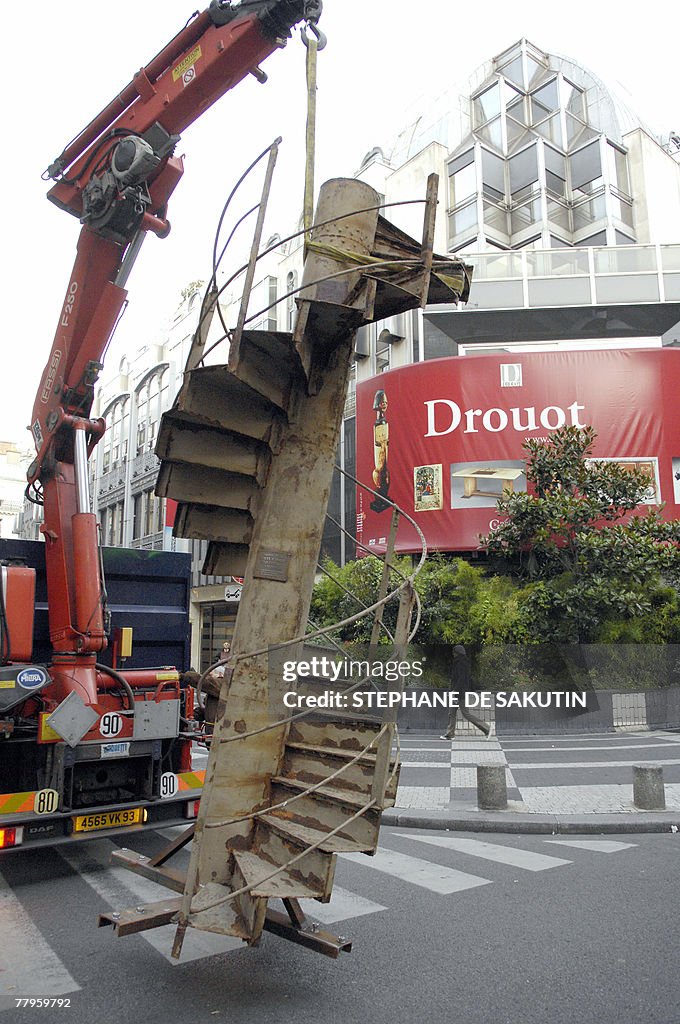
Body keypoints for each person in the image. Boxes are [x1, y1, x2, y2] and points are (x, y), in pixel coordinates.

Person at [440, 644, 495, 740]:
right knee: (451, 713)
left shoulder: (461, 663)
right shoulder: (461, 662)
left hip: (459, 692)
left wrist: (455, 690)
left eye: (454, 652)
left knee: (466, 713)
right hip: (458, 691)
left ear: (457, 653)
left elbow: (461, 679)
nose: (453, 654)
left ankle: (487, 728)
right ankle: (450, 734)